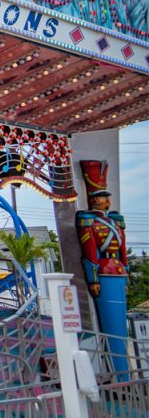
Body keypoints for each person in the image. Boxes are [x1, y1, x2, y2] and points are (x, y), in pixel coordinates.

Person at [75, 160, 128, 379]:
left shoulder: (115, 222)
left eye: (107, 196)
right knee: (112, 324)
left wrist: (126, 276)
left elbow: (123, 251)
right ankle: (119, 372)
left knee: (121, 326)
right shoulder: (88, 222)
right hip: (103, 273)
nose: (106, 200)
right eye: (102, 196)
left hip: (117, 271)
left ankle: (123, 373)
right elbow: (90, 253)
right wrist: (93, 277)